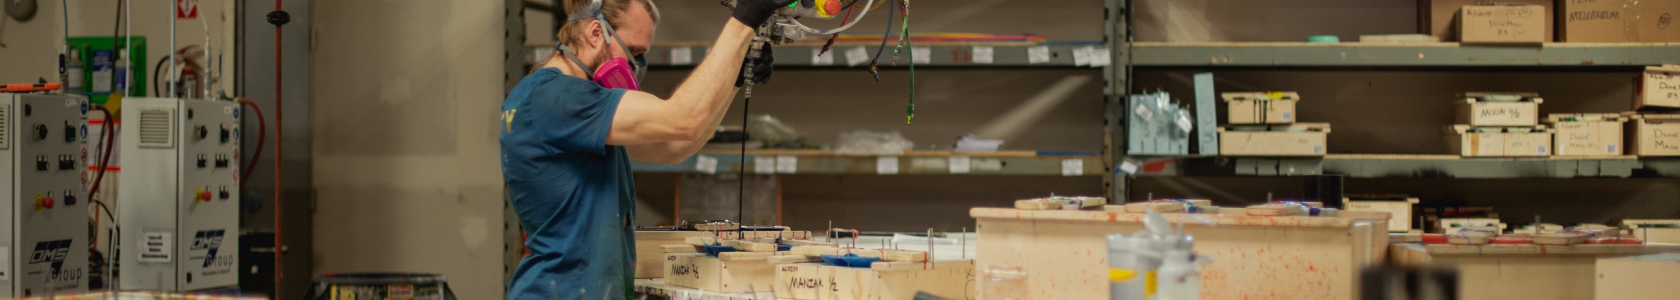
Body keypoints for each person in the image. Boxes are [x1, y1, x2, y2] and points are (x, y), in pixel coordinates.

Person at [499, 0, 793, 298]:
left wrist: (735, 78)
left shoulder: (567, 102)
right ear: (595, 33)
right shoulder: (558, 97)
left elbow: (673, 147)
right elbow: (683, 120)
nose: (634, 66)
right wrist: (746, 17)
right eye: (634, 51)